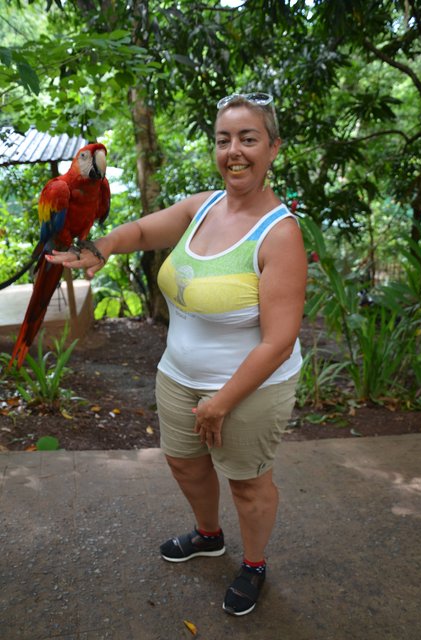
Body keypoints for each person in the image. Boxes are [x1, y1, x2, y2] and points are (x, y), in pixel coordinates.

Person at [47, 92, 307, 616]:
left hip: (248, 387)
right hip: (179, 375)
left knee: (249, 484)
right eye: (223, 139)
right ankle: (207, 535)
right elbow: (143, 230)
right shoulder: (203, 205)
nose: (234, 150)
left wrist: (220, 403)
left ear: (273, 148)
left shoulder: (280, 234)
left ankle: (254, 564)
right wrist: (104, 247)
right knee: (185, 464)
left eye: (248, 138)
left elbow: (279, 341)